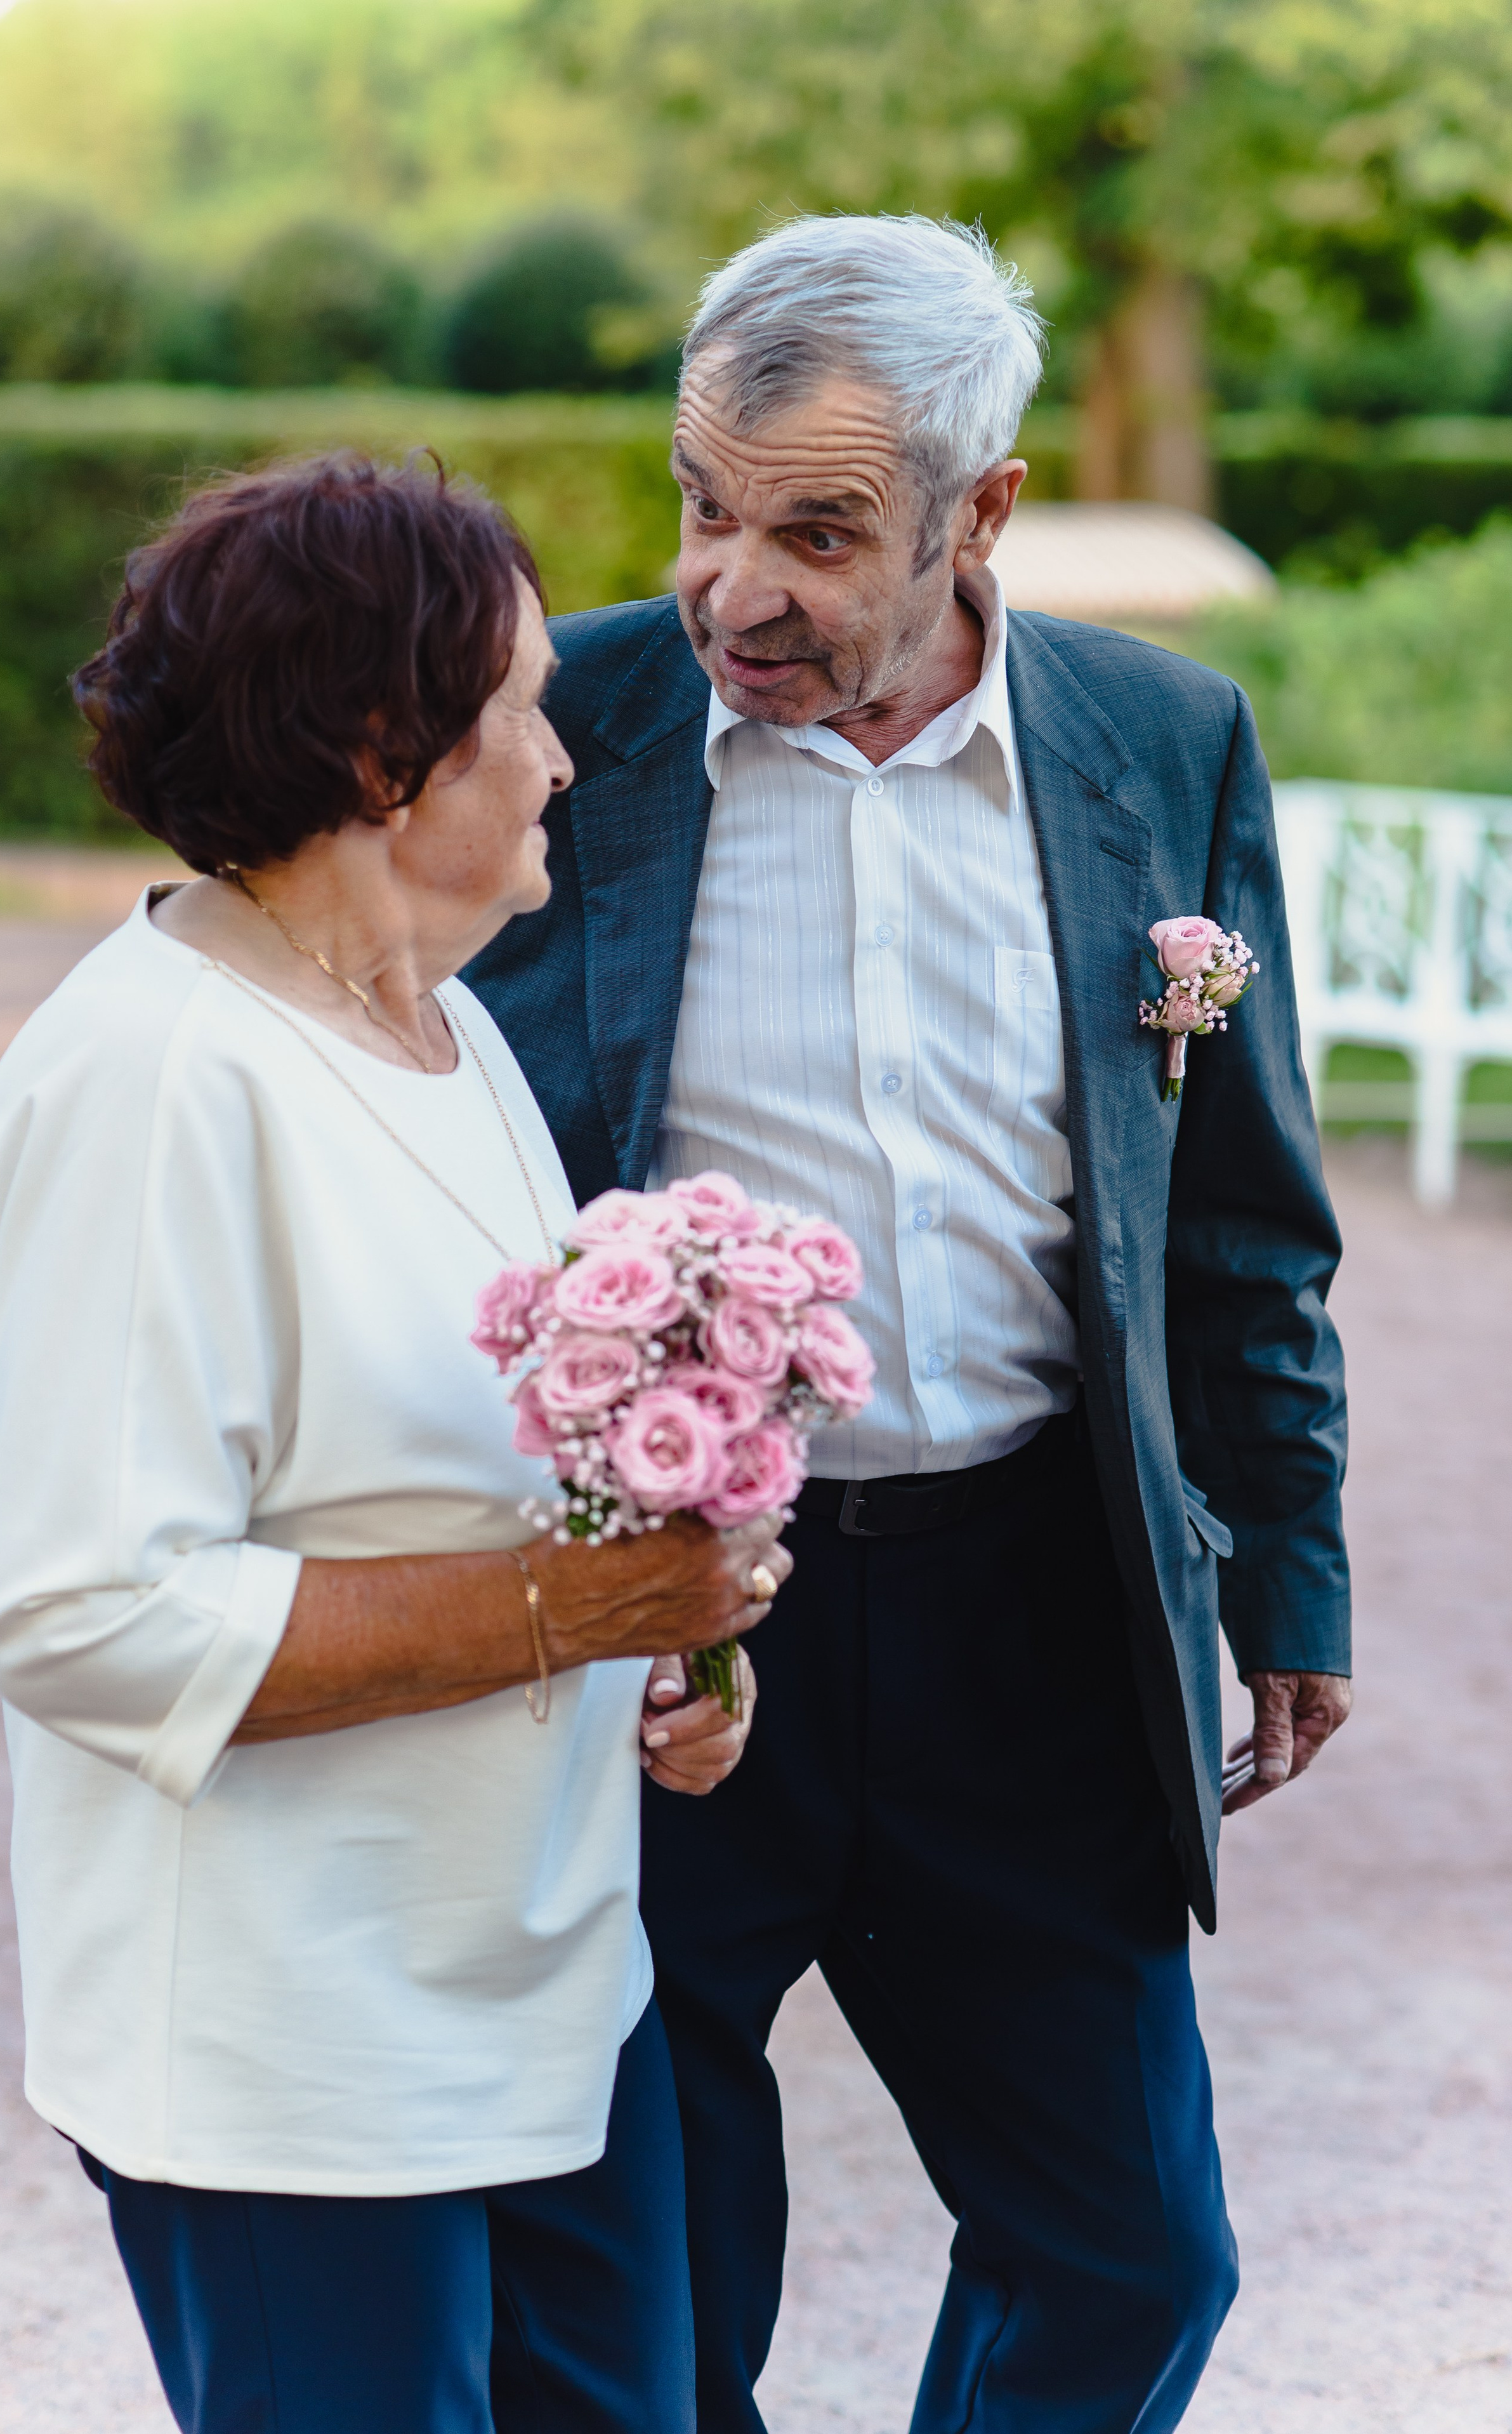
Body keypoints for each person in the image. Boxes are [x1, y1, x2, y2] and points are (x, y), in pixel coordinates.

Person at [464, 215, 1353, 2433]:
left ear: (986, 514)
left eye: (820, 531)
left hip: (1028, 1606)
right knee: (643, 2308)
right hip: (658, 1625)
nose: (731, 588)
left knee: (1132, 2252)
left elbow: (1242, 1216)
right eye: (703, 506)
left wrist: (1292, 1568)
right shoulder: (560, 732)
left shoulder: (1166, 741)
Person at [0, 453, 791, 2434]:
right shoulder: (152, 1082)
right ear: (382, 750)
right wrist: (557, 1606)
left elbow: (483, 1483)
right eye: (518, 709)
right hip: (290, 2061)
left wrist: (672, 1637)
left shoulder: (447, 1024)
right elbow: (86, 1613)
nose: (564, 757)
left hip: (555, 1998)